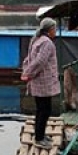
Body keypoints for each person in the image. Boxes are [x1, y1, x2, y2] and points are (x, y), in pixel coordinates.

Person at [21, 17, 59, 148]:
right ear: (50, 29)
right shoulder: (47, 43)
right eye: (55, 29)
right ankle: (39, 138)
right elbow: (40, 62)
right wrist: (28, 73)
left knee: (41, 109)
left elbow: (28, 59)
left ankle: (40, 134)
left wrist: (26, 71)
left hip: (38, 81)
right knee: (45, 110)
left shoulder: (36, 40)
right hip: (44, 82)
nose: (56, 31)